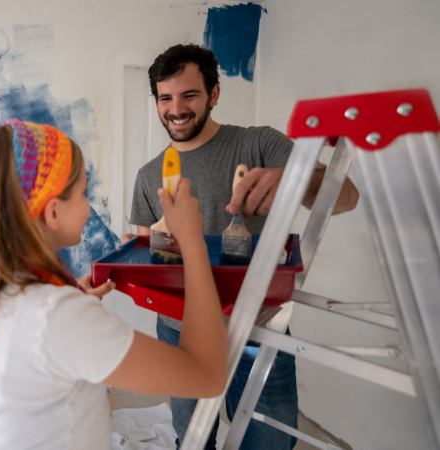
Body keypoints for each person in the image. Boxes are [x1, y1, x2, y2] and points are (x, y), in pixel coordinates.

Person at [0, 120, 227, 450]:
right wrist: (192, 241)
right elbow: (206, 375)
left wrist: (72, 301)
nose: (88, 205)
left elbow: (44, 339)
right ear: (52, 212)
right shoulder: (56, 315)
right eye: (82, 194)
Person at [130, 44, 359, 450]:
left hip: (260, 328)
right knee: (193, 439)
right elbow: (145, 251)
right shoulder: (149, 175)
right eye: (165, 98)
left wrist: (292, 180)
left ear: (214, 94)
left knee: (268, 441)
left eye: (189, 95)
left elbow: (346, 199)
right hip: (180, 332)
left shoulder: (259, 145)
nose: (176, 109)